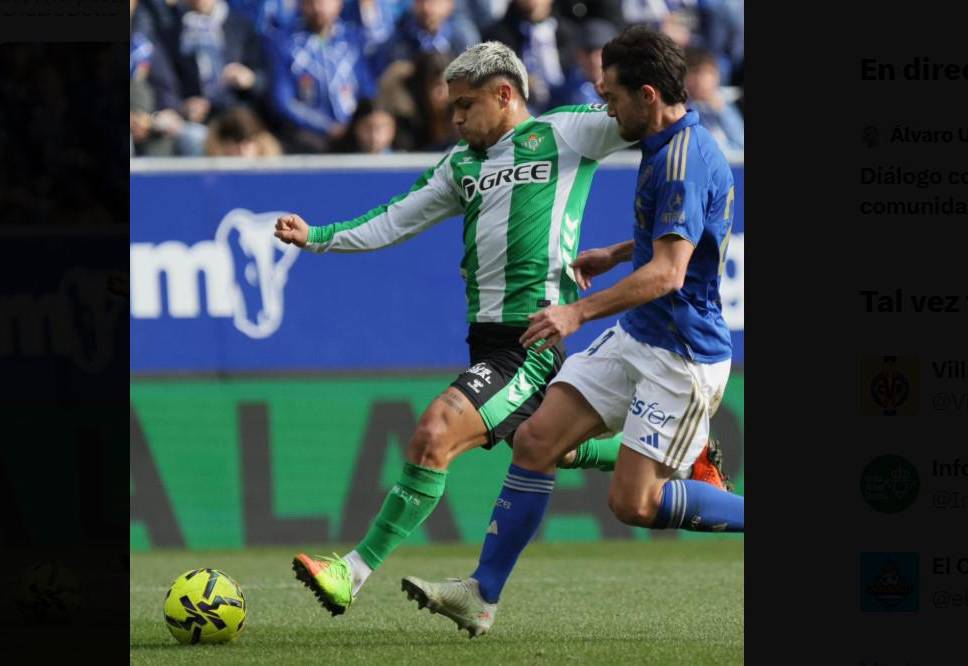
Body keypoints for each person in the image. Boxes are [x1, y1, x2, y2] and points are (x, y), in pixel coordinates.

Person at [272, 40, 729, 619]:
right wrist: (318, 235)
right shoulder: (459, 165)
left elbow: (649, 120)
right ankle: (684, 458)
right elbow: (393, 219)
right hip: (486, 339)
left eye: (466, 105)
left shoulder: (567, 132)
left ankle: (352, 572)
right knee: (542, 444)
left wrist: (595, 287)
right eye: (451, 107)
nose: (456, 118)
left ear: (505, 95)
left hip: (533, 339)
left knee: (436, 431)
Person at [399, 26, 743, 638]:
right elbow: (676, 243)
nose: (604, 105)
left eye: (610, 94)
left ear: (646, 93)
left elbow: (668, 274)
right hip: (641, 335)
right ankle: (482, 595)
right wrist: (614, 253)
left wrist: (577, 313)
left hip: (681, 353)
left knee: (632, 504)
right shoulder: (663, 141)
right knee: (535, 440)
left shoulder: (685, 160)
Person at [267, 0, 375, 153]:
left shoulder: (354, 39)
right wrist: (326, 127)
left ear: (339, 4)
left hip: (353, 131)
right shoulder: (284, 43)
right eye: (310, 3)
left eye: (324, 2)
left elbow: (368, 89)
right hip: (308, 136)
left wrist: (356, 125)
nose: (317, 8)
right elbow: (283, 101)